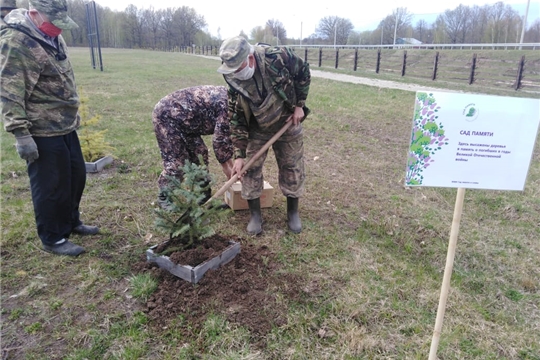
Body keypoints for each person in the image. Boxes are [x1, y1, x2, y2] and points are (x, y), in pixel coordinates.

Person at [1, 0, 99, 256]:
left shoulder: (51, 34)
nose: (59, 28)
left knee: (75, 177)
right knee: (50, 185)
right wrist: (21, 134)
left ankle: (71, 221)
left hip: (66, 124)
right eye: (54, 23)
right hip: (42, 128)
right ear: (34, 13)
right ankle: (53, 237)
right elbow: (10, 91)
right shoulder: (17, 41)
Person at [217, 36, 311, 235]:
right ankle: (255, 216)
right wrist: (240, 155)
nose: (235, 73)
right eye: (231, 69)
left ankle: (293, 213)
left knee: (292, 166)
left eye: (238, 67)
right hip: (257, 127)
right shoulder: (234, 83)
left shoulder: (278, 57)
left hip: (287, 122)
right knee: (250, 170)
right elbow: (237, 118)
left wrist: (299, 106)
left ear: (250, 59)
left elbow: (303, 72)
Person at [152, 85, 234, 208]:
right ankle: (164, 196)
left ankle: (202, 195)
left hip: (189, 121)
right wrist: (229, 171)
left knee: (199, 155)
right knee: (177, 162)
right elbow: (220, 142)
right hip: (168, 116)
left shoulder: (236, 102)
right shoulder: (228, 107)